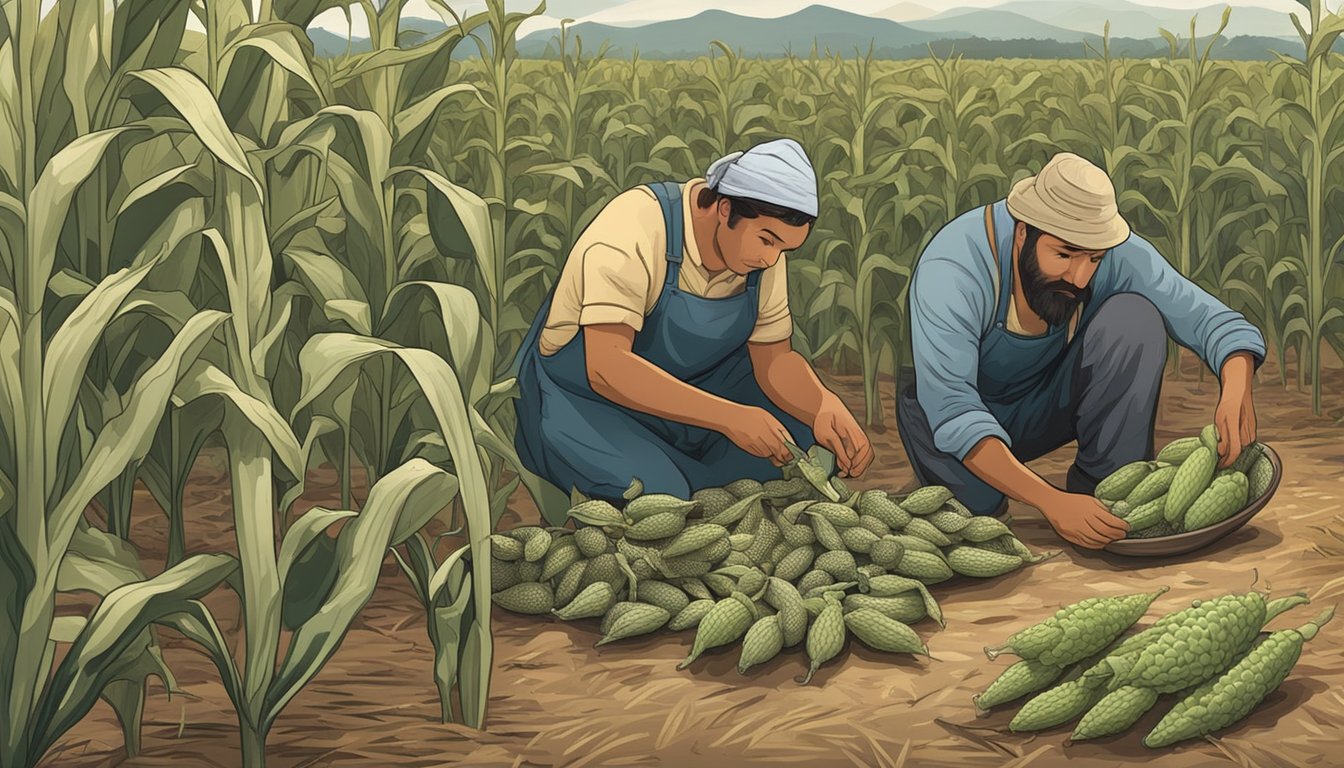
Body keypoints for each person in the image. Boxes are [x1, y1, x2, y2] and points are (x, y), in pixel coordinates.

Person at [896, 152, 1265, 550]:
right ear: (1023, 233)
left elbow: (1204, 315)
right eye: (1065, 255)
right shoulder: (954, 265)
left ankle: (1105, 489)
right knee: (978, 513)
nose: (1080, 276)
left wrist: (1236, 385)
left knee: (1134, 319)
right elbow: (954, 408)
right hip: (948, 419)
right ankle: (979, 490)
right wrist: (1051, 502)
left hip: (1040, 403)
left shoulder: (1105, 250)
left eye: (1094, 259)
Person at [512, 138, 874, 507]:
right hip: (588, 400)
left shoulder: (762, 258)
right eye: (767, 240)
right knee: (659, 498)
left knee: (806, 446)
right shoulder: (635, 227)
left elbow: (774, 360)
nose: (771, 259)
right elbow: (606, 366)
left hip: (698, 392)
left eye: (783, 249)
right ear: (724, 208)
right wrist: (729, 418)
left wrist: (822, 404)